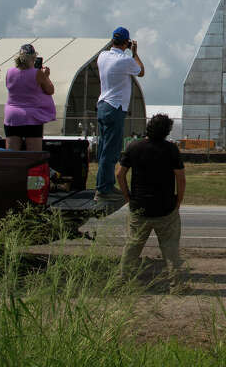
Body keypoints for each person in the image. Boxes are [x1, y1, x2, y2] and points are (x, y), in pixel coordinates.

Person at [117, 113, 185, 281]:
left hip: (139, 206)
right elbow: (180, 178)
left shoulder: (134, 147)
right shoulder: (171, 149)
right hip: (165, 208)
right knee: (170, 248)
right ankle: (176, 284)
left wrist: (127, 196)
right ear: (167, 131)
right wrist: (178, 201)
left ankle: (122, 280)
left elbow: (119, 174)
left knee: (132, 246)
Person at [95, 26, 144, 200]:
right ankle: (104, 188)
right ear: (126, 42)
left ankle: (103, 183)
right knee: (111, 150)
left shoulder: (102, 56)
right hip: (115, 107)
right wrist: (135, 53)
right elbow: (141, 71)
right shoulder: (125, 60)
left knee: (103, 148)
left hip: (102, 105)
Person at [3, 43, 56, 151]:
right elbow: (50, 90)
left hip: (12, 116)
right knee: (33, 156)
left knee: (12, 154)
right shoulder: (37, 73)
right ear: (33, 58)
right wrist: (46, 76)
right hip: (31, 117)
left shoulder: (9, 72)